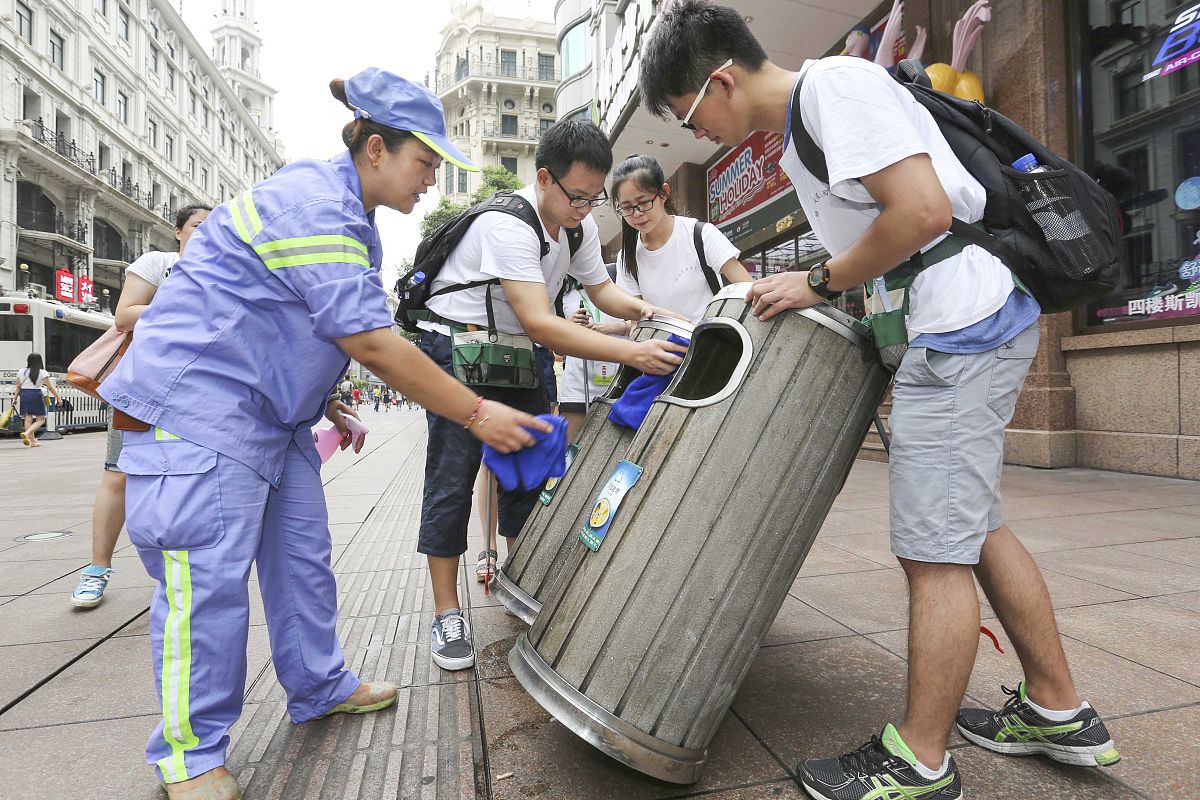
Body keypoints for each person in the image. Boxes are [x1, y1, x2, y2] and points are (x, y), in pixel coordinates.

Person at [639, 4, 1118, 799]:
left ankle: (919, 761)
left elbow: (923, 212)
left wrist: (819, 280)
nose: (701, 136)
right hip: (957, 324)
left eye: (690, 117)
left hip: (964, 325)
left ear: (718, 82)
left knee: (933, 551)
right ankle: (1058, 707)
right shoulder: (804, 123)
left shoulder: (835, 89)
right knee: (974, 525)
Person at [98, 68, 545, 800]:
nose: (431, 179)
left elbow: (305, 320)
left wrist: (324, 396)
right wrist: (477, 411)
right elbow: (370, 340)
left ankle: (316, 684)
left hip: (273, 419)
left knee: (303, 558)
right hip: (202, 410)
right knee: (204, 585)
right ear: (376, 148)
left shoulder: (350, 218)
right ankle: (189, 756)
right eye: (426, 161)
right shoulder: (315, 204)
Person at [418, 118, 688, 671]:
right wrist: (633, 353)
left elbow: (602, 290)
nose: (585, 211)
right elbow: (542, 321)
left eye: (594, 200)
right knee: (453, 477)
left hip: (518, 357)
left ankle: (520, 583)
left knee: (529, 474)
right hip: (460, 352)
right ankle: (447, 613)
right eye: (576, 197)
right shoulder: (507, 225)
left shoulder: (578, 227)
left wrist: (644, 312)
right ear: (543, 178)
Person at [71, 205, 212, 609]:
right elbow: (125, 315)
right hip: (142, 387)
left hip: (199, 394)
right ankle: (97, 568)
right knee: (118, 476)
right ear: (178, 232)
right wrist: (185, 310)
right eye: (198, 227)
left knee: (188, 481)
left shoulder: (224, 271)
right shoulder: (159, 263)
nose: (206, 235)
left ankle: (180, 571)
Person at [611, 153, 752, 322]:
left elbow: (748, 290)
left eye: (644, 202)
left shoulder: (700, 234)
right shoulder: (626, 257)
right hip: (662, 347)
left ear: (663, 193)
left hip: (714, 341)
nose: (637, 214)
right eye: (626, 208)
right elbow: (636, 321)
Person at [15, 352, 62, 447]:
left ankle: (32, 442)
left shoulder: (21, 371)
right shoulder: (42, 372)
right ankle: (27, 434)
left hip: (24, 394)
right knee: (41, 419)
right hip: (35, 394)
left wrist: (14, 398)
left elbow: (18, 386)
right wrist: (58, 397)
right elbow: (50, 387)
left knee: (28, 419)